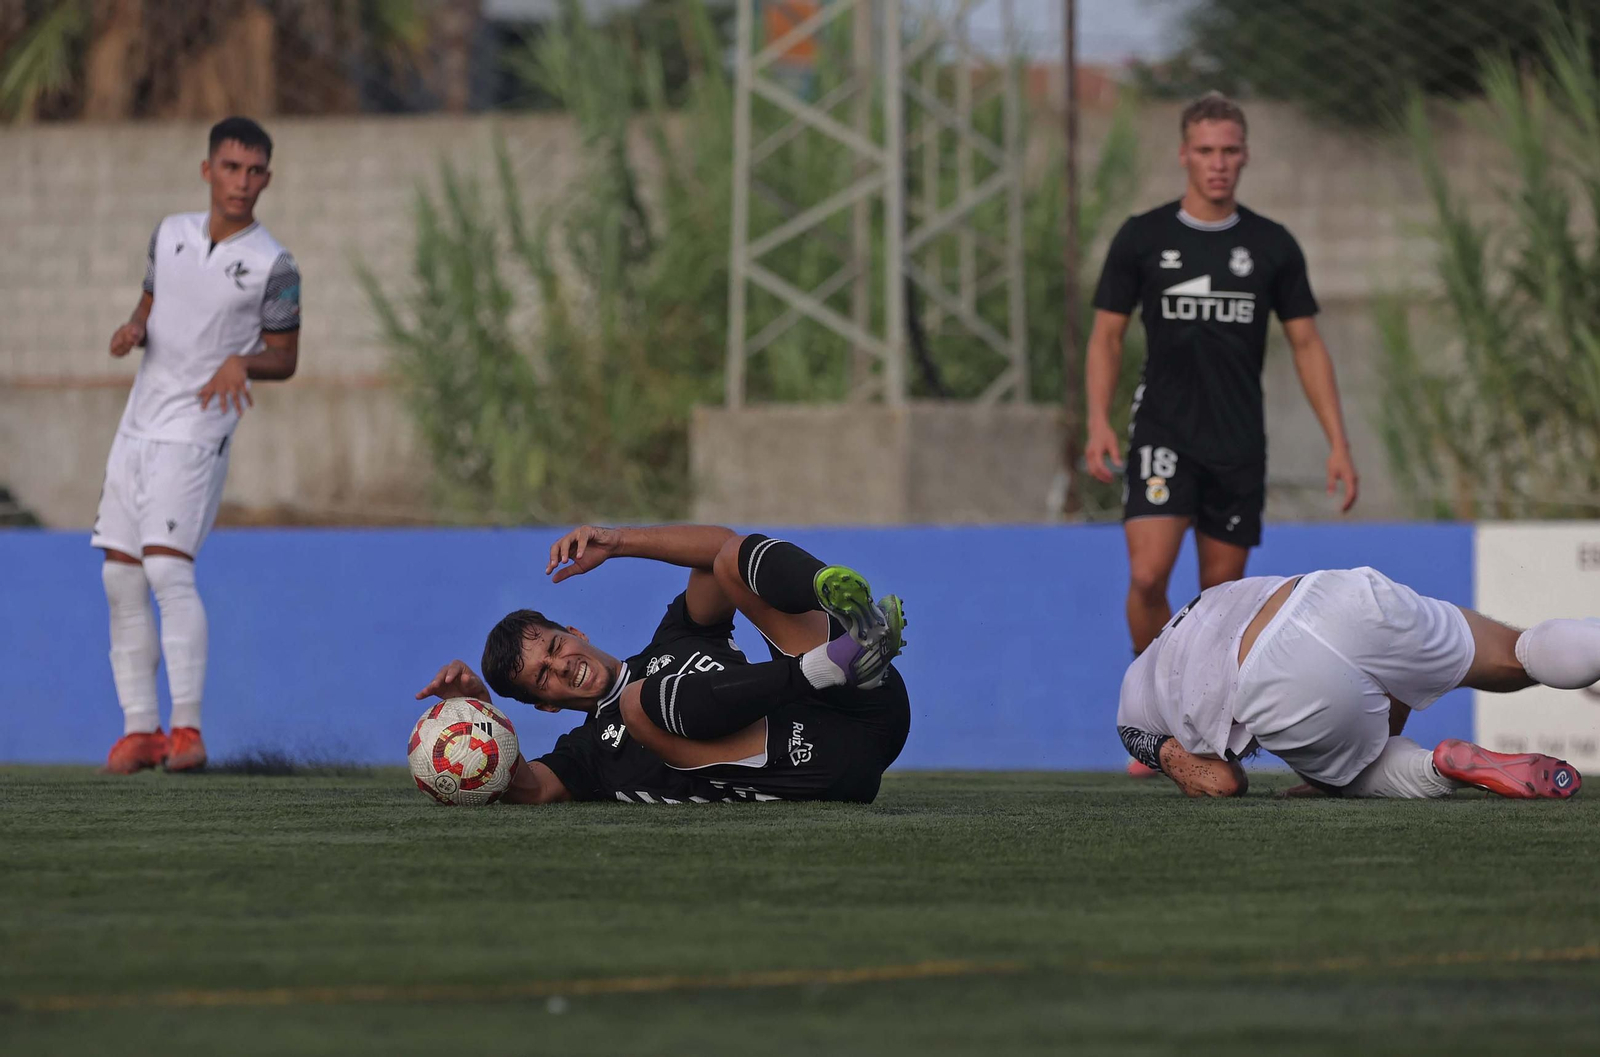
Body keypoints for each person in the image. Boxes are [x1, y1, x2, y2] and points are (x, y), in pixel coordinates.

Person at [1084, 92, 1360, 657]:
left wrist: (1337, 441)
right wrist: (1097, 421)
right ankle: (1154, 716)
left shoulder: (1271, 245)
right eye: (1206, 150)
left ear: (1245, 157)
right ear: (1184, 154)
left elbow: (1306, 343)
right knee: (1146, 575)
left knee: (1222, 602)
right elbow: (1106, 336)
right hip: (1163, 431)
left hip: (1235, 443)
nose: (1218, 162)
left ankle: (1206, 729)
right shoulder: (1144, 237)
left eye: (1229, 150)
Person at [415, 524, 909, 805]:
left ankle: (858, 627)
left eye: (554, 645)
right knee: (638, 702)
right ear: (545, 706)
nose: (561, 665)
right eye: (542, 676)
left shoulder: (678, 636)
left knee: (732, 556)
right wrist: (480, 713)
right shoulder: (588, 751)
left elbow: (717, 548)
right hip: (816, 770)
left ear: (575, 633)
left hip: (869, 706)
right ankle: (828, 663)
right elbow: (530, 788)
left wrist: (620, 543)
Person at [95, 117, 301, 774]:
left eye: (255, 170)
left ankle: (186, 729)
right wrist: (133, 326)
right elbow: (151, 303)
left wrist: (246, 361)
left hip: (197, 429)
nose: (242, 182)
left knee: (165, 569)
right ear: (207, 169)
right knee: (119, 576)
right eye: (231, 167)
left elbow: (286, 357)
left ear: (267, 178)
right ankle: (140, 730)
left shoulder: (275, 264)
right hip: (138, 426)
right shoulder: (169, 234)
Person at [1116, 566, 1589, 800]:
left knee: (1357, 774)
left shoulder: (1133, 714)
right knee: (1516, 652)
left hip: (1273, 678)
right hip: (1333, 594)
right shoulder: (1203, 605)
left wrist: (1328, 778)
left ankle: (1441, 765)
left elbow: (1220, 783)